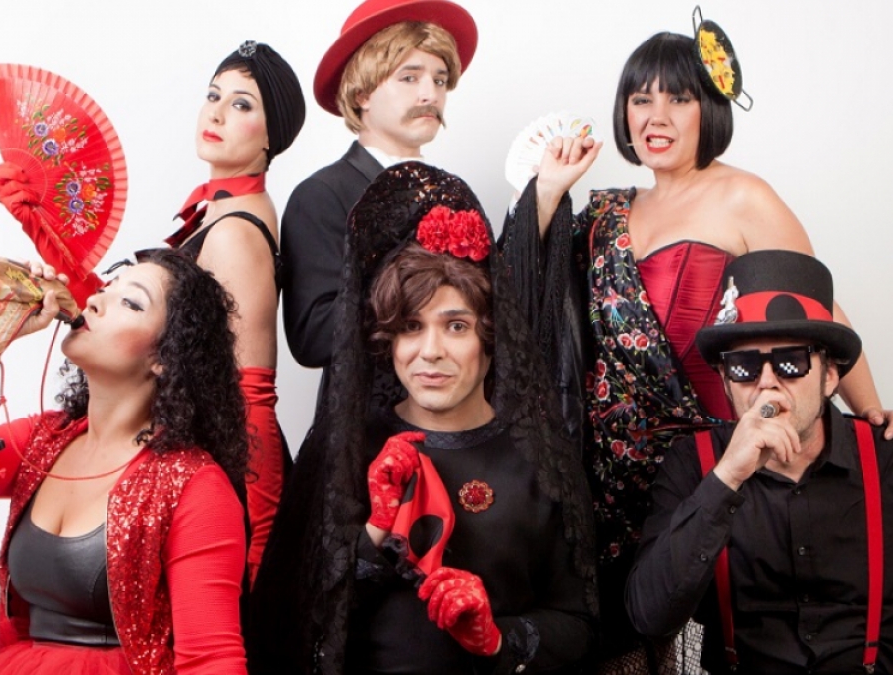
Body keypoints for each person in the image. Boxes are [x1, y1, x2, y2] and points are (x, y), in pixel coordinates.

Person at [503, 29, 893, 672]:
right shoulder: (606, 211)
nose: (657, 117)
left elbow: (817, 313)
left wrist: (871, 417)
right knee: (621, 640)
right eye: (641, 100)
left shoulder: (743, 196)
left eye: (678, 99)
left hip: (708, 463)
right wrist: (548, 191)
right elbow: (527, 290)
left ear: (710, 109)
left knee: (723, 634)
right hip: (606, 474)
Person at [251, 163, 596, 674]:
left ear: (490, 339)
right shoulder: (349, 451)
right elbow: (291, 623)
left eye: (455, 326)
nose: (429, 351)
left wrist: (500, 640)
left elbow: (580, 624)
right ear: (388, 340)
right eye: (411, 326)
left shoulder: (539, 459)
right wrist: (375, 532)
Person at [0, 248, 249, 674]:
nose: (95, 300)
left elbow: (211, 661)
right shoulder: (45, 441)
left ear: (164, 357)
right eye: (106, 288)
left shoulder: (195, 487)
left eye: (130, 301)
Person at [626, 249, 893, 674]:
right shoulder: (693, 465)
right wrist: (726, 479)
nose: (767, 382)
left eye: (791, 362)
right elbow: (649, 616)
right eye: (744, 366)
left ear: (830, 376)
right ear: (725, 381)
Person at [163, 40, 305, 586]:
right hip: (197, 458)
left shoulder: (236, 232)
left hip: (228, 476)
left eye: (241, 104)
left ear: (273, 136)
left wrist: (257, 545)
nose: (216, 113)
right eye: (213, 95)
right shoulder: (222, 208)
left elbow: (251, 395)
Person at [281, 0, 477, 383]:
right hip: (369, 417)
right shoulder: (321, 195)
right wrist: (416, 277)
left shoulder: (454, 193)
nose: (430, 95)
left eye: (439, 80)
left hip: (457, 409)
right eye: (409, 78)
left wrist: (538, 201)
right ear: (362, 95)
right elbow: (313, 337)